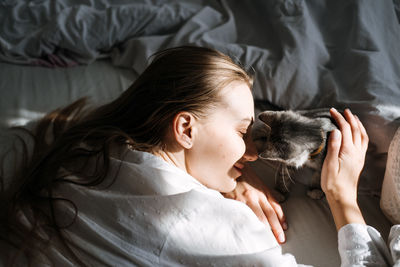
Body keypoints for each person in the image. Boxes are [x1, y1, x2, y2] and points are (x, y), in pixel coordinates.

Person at [0, 46, 398, 266]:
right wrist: (342, 196)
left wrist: (232, 178)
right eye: (243, 132)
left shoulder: (91, 147)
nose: (255, 152)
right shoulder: (209, 226)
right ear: (185, 129)